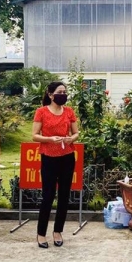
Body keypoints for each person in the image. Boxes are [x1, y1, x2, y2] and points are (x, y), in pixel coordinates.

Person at [32, 81, 79, 248]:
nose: (63, 94)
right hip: (49, 157)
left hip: (67, 156)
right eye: (60, 91)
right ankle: (41, 233)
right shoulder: (41, 112)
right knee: (48, 195)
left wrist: (70, 139)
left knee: (64, 196)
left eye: (65, 91)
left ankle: (58, 231)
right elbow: (34, 135)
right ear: (51, 95)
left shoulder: (69, 111)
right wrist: (50, 139)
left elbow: (76, 133)